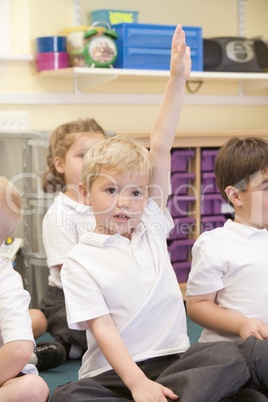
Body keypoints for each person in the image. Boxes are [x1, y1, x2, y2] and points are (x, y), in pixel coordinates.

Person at [50, 26, 268, 402]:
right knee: (67, 397)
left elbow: (161, 145)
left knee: (240, 358)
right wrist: (137, 385)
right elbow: (102, 329)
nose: (125, 202)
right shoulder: (79, 261)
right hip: (115, 375)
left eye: (136, 192)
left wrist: (177, 80)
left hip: (176, 362)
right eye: (111, 190)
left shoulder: (150, 222)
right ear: (85, 194)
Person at [186, 137, 268, 344]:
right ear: (236, 196)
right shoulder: (216, 244)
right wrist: (240, 323)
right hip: (233, 353)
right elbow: (197, 306)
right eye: (266, 188)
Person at [39, 118, 107, 362]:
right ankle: (66, 346)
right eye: (83, 155)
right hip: (67, 297)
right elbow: (69, 275)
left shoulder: (109, 203)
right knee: (103, 332)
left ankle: (72, 349)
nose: (93, 161)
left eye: (100, 153)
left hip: (106, 289)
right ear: (60, 164)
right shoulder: (60, 215)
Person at [0, 176, 49, 402]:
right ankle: (40, 357)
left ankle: (36, 359)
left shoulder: (5, 280)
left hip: (5, 366)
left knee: (32, 388)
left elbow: (18, 349)